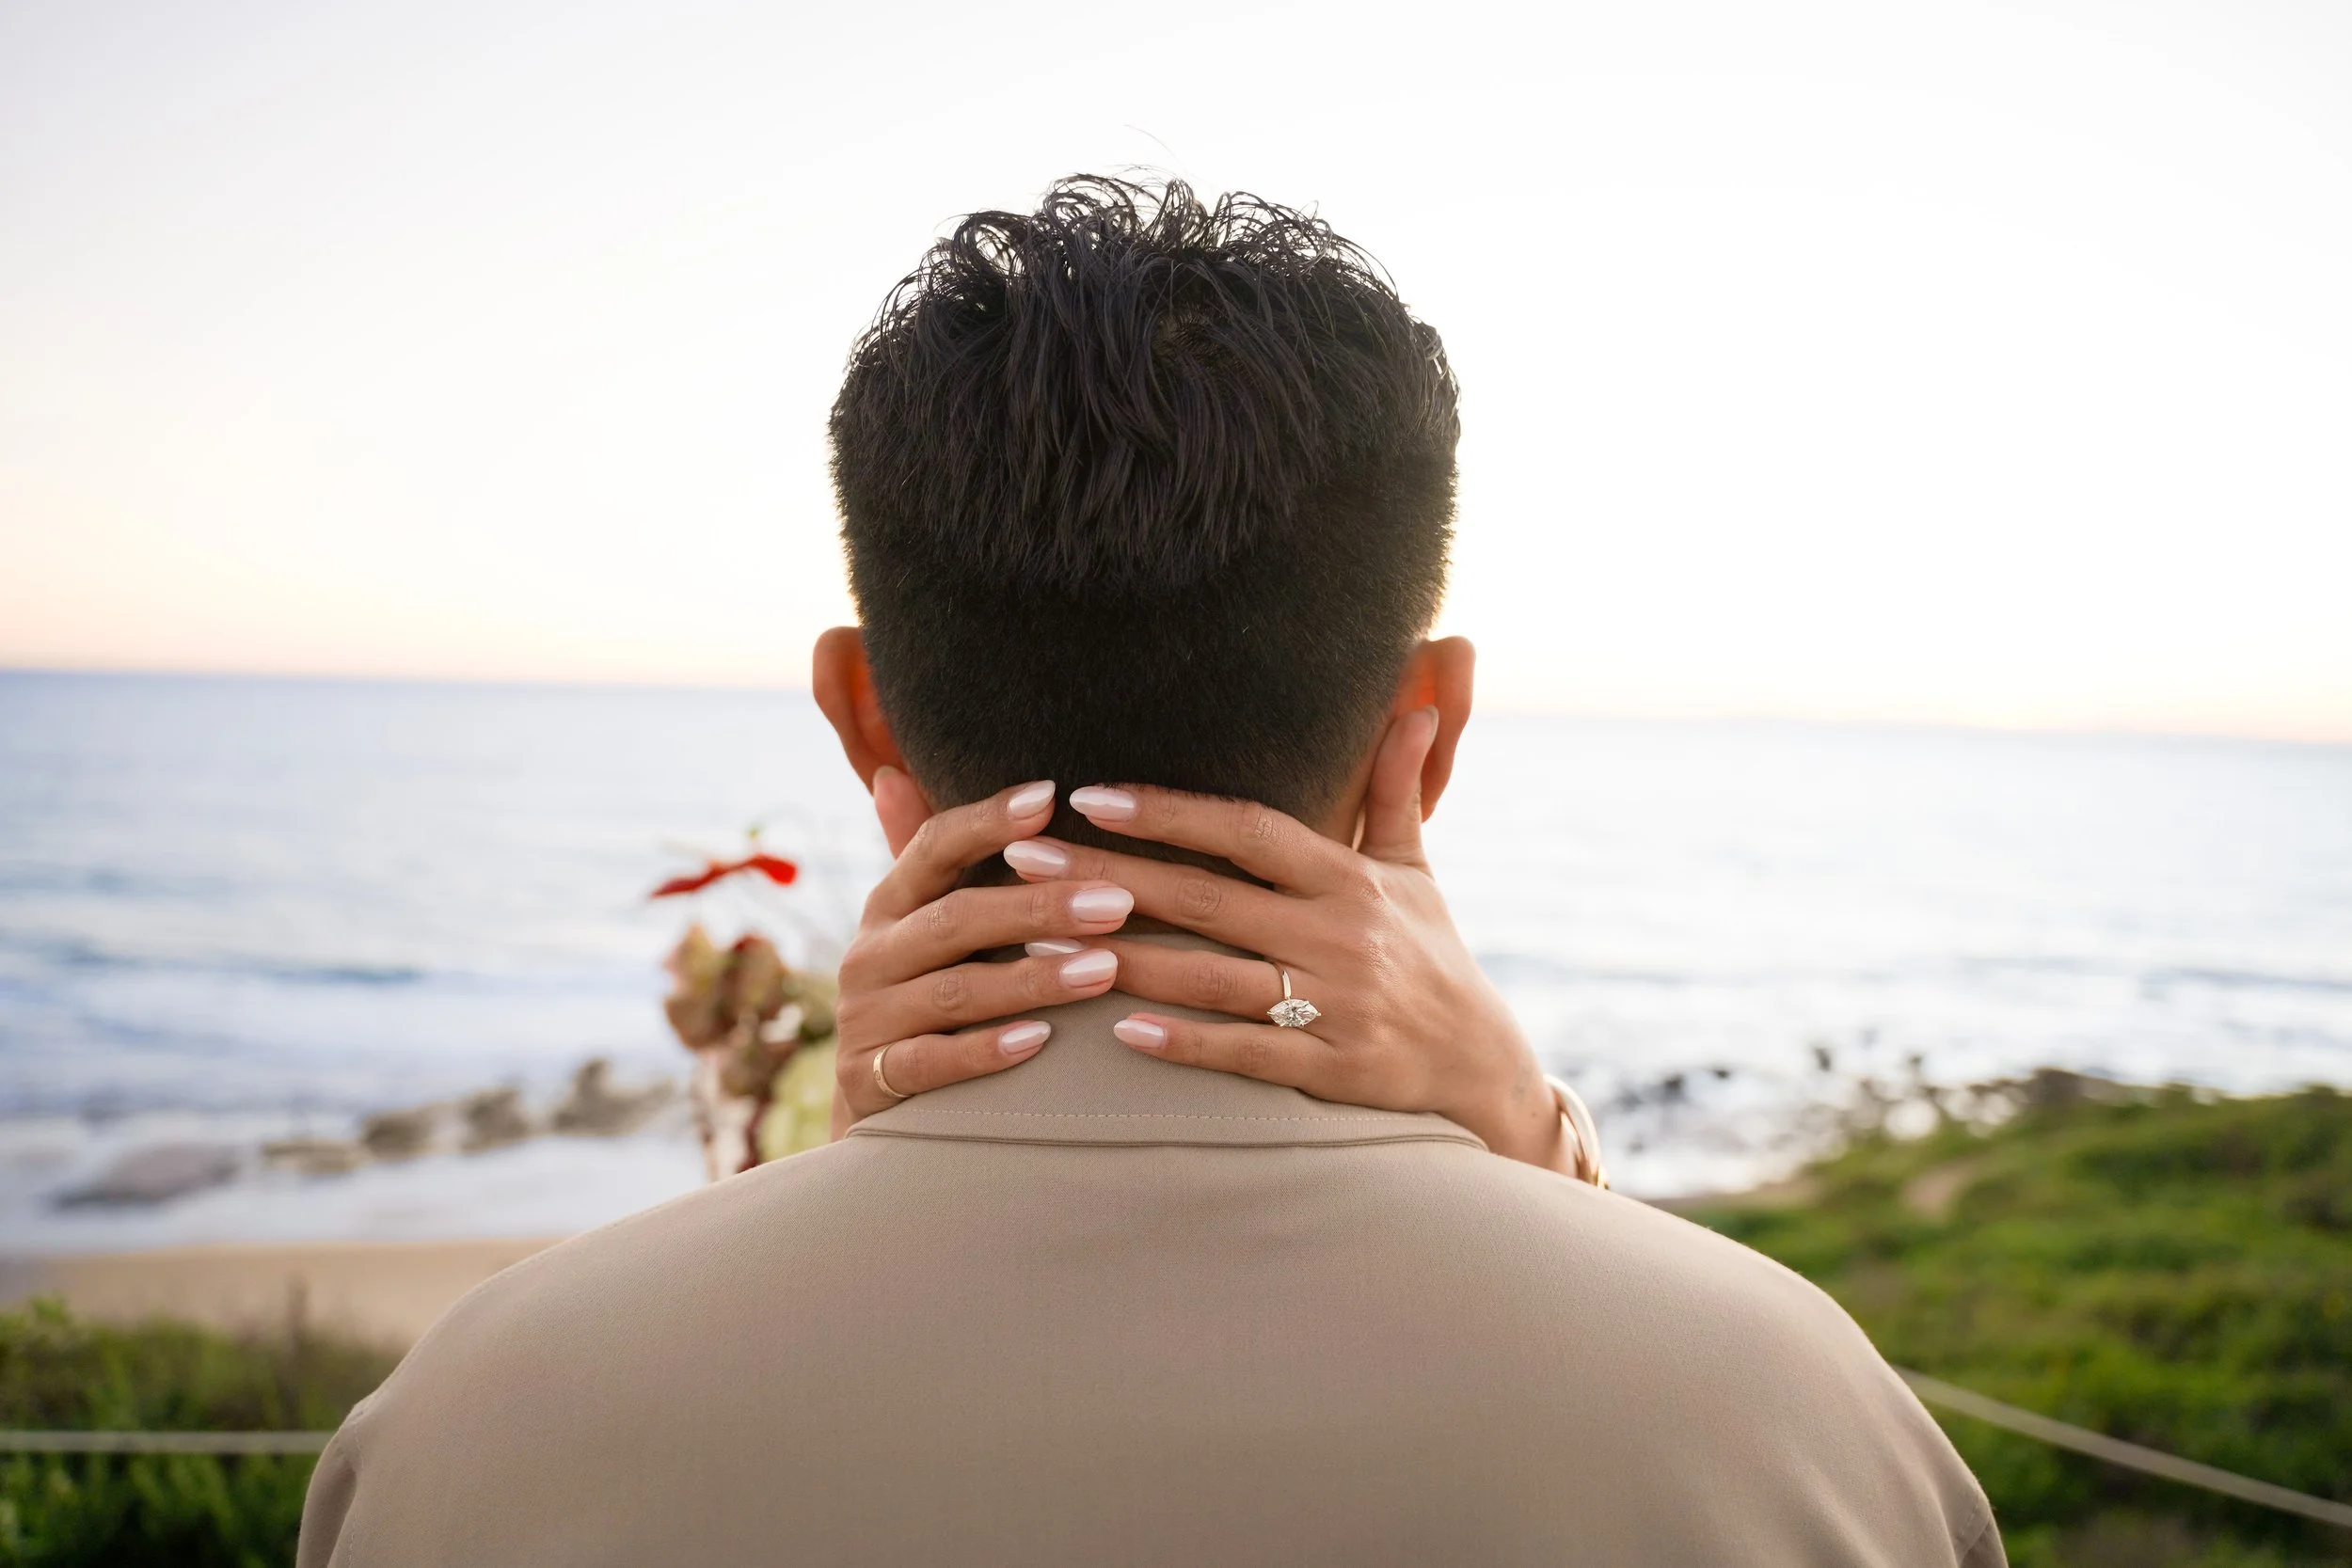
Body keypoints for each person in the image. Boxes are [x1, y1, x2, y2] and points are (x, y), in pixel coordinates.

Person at [298, 176, 2002, 1567]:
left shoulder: (472, 1425)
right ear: (1429, 725)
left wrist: (844, 1161)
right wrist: (1532, 1137)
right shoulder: (1798, 1419)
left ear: (860, 707)